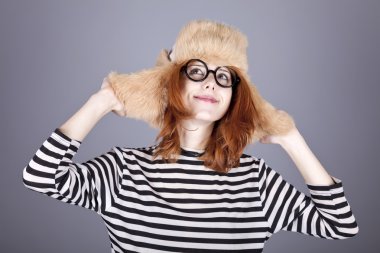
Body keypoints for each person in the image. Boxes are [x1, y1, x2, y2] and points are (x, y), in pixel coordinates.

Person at [23, 20, 358, 253]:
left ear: (233, 99)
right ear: (173, 84)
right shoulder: (125, 169)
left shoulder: (255, 181)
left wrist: (290, 136)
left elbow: (340, 225)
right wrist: (101, 101)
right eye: (196, 71)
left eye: (224, 76)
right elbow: (40, 177)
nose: (210, 82)